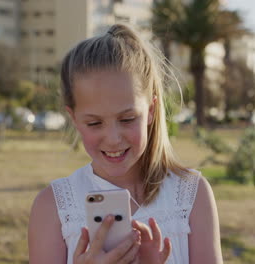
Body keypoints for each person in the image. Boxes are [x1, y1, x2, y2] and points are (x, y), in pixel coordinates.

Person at [28, 24, 222, 264]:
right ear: (74, 119)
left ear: (150, 111)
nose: (113, 138)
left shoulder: (192, 195)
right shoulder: (52, 207)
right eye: (95, 123)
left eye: (127, 119)